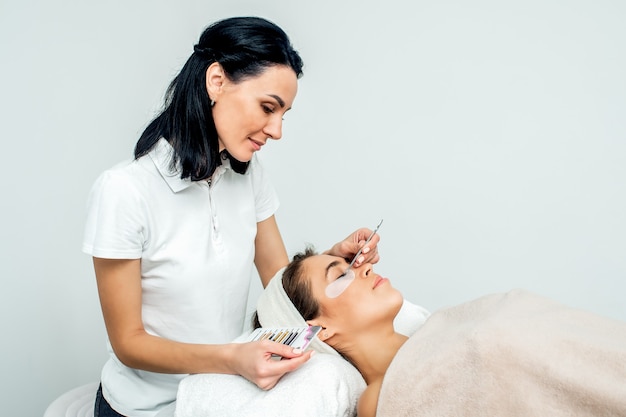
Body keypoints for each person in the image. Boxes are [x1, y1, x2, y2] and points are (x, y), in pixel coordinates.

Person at [82, 17, 380, 417]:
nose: (276, 131)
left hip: (219, 393)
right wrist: (235, 358)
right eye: (268, 107)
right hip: (143, 408)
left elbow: (279, 285)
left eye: (283, 115)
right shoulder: (124, 191)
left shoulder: (248, 176)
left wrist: (334, 262)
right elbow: (129, 343)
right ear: (216, 81)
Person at [256, 246, 626, 417]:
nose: (364, 268)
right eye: (341, 275)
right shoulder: (376, 401)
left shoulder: (442, 325)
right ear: (320, 331)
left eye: (351, 263)